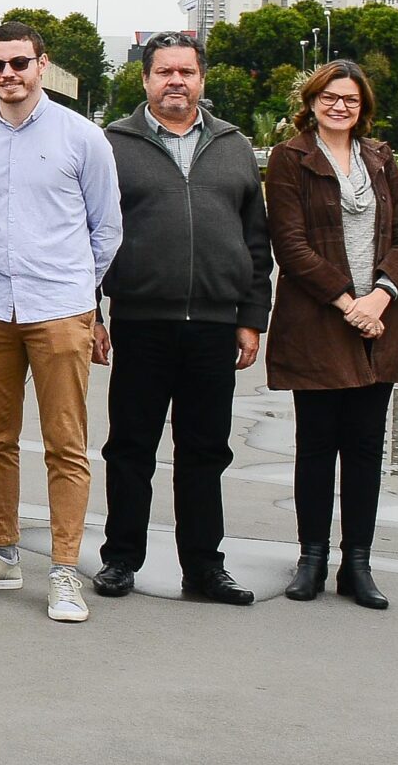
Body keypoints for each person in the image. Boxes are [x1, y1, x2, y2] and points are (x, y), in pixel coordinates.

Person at [0, 21, 121, 622]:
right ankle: (2, 554)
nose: (8, 76)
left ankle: (65, 570)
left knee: (65, 444)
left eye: (19, 63)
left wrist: (79, 289)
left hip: (61, 309)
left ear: (42, 65)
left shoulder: (82, 137)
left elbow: (106, 228)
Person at [92, 32, 271, 606]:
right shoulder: (113, 144)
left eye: (186, 72)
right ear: (144, 79)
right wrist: (93, 313)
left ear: (201, 80)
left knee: (204, 452)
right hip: (142, 322)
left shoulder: (234, 145)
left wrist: (251, 316)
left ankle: (203, 566)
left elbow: (256, 240)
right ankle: (120, 560)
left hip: (215, 327)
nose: (176, 81)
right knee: (130, 449)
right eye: (164, 72)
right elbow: (87, 234)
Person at [263, 58, 398, 610]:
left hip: (379, 321)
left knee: (364, 450)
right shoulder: (289, 159)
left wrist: (380, 295)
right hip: (318, 321)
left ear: (363, 108)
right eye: (330, 97)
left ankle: (358, 563)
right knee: (315, 447)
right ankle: (311, 559)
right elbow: (290, 243)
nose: (340, 106)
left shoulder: (380, 159)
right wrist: (347, 301)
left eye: (351, 100)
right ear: (311, 101)